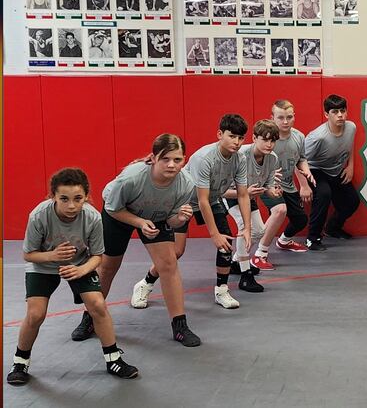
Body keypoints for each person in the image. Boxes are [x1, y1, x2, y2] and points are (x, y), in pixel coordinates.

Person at [7, 168, 138, 385]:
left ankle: (113, 358)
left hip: (79, 264)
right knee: (36, 314)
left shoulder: (94, 217)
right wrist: (53, 255)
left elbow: (97, 256)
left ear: (86, 196)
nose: (71, 205)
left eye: (78, 199)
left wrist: (82, 270)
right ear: (53, 197)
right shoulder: (39, 215)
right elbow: (28, 254)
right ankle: (20, 362)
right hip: (43, 265)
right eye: (64, 199)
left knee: (98, 304)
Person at [69, 135, 202, 347]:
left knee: (168, 264)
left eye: (177, 160)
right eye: (165, 159)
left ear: (184, 160)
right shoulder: (131, 178)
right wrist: (140, 222)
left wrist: (181, 218)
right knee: (108, 266)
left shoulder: (186, 184)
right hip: (119, 214)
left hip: (156, 217)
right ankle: (90, 317)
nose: (171, 165)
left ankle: (180, 326)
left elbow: (171, 220)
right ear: (153, 158)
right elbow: (112, 207)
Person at [133, 114, 252, 309]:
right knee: (176, 252)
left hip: (212, 199)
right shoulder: (205, 158)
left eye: (240, 138)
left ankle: (222, 290)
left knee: (226, 243)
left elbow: (243, 195)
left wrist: (247, 228)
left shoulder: (240, 159)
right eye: (232, 136)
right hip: (184, 200)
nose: (237, 142)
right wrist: (213, 234)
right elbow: (201, 200)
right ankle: (145, 283)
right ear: (220, 134)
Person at [225, 119, 283, 283]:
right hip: (229, 195)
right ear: (254, 138)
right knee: (245, 227)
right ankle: (246, 274)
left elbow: (269, 186)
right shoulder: (240, 155)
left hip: (248, 195)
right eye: (265, 139)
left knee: (258, 231)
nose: (269, 144)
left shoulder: (272, 158)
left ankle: (236, 262)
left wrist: (274, 192)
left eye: (272, 140)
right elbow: (221, 191)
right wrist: (244, 193)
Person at [304, 94, 359, 251]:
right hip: (315, 169)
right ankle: (312, 238)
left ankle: (332, 228)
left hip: (336, 170)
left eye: (343, 110)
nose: (340, 115)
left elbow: (349, 145)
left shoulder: (351, 127)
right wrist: (304, 185)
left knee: (352, 201)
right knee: (324, 194)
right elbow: (299, 160)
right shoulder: (318, 137)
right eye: (335, 112)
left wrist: (351, 166)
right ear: (326, 114)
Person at [269, 100, 316, 253]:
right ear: (272, 118)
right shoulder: (267, 138)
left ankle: (284, 241)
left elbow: (301, 159)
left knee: (300, 220)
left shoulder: (299, 137)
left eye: (289, 117)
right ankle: (260, 253)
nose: (285, 121)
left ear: (294, 117)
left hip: (288, 186)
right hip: (269, 186)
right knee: (278, 213)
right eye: (280, 117)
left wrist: (306, 172)